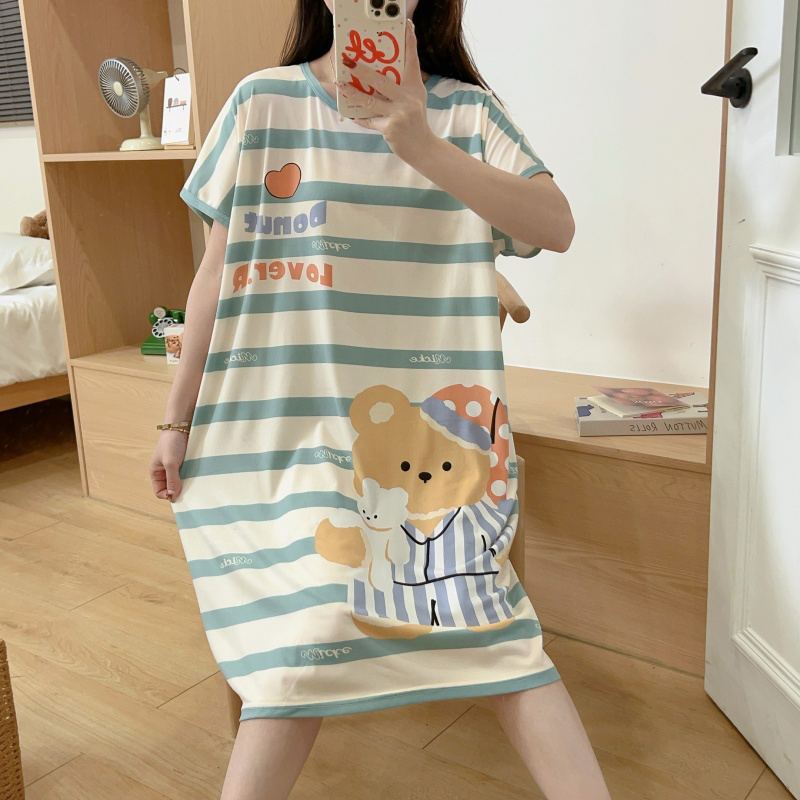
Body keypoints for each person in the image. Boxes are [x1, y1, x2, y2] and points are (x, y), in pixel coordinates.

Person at [149, 1, 611, 798]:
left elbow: (556, 226)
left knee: (489, 624)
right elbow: (214, 276)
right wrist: (175, 418)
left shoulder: (466, 113)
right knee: (311, 628)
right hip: (287, 436)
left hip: (429, 446)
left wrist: (420, 143)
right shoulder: (263, 103)